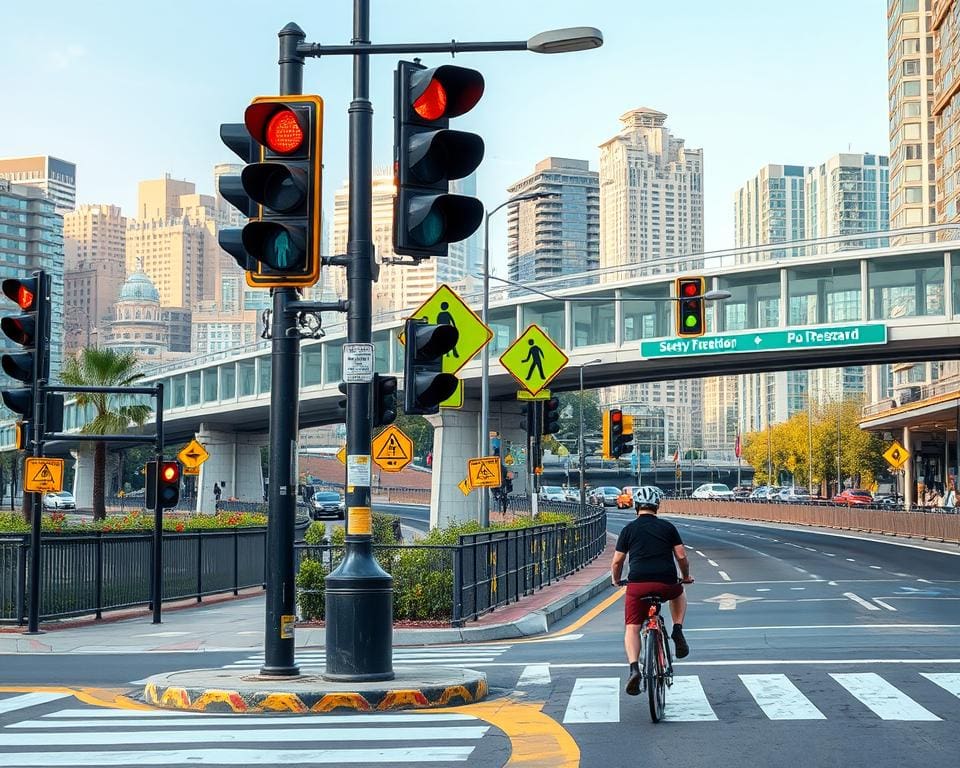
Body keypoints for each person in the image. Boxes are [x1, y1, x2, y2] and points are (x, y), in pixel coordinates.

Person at [611, 486, 694, 696]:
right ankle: (677, 629)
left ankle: (633, 669)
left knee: (632, 627)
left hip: (638, 584)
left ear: (636, 506)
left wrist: (616, 580)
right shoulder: (667, 527)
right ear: (657, 505)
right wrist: (684, 577)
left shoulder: (628, 529)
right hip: (666, 582)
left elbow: (617, 561)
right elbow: (681, 556)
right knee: (679, 593)